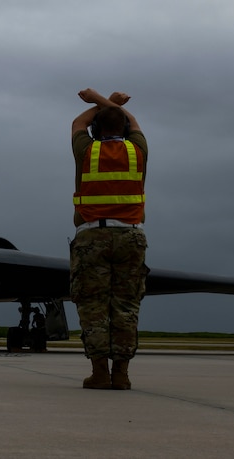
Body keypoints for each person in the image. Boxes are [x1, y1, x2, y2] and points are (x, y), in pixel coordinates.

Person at [70, 87, 149, 390]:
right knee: (126, 305)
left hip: (93, 236)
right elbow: (134, 122)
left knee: (93, 305)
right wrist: (110, 104)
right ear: (126, 129)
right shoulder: (138, 150)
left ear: (95, 129)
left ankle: (100, 372)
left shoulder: (86, 151)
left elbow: (77, 123)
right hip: (131, 236)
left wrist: (102, 101)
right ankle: (123, 374)